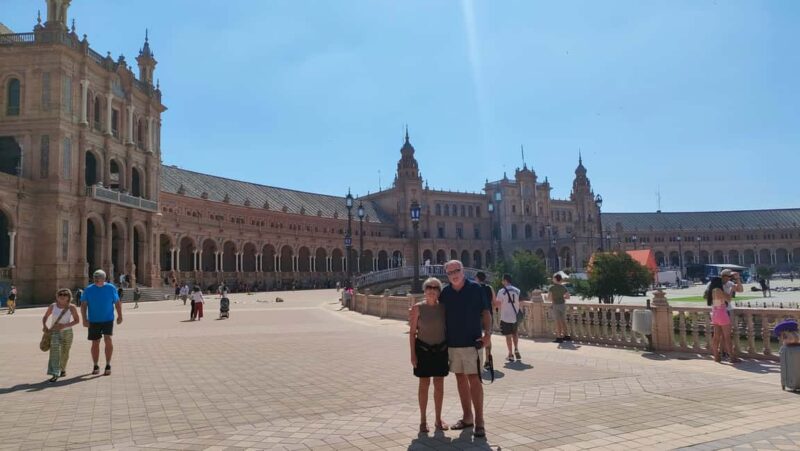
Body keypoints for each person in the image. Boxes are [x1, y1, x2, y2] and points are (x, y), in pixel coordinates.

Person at [417, 260, 491, 438]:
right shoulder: (446, 293)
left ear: (463, 270)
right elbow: (432, 302)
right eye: (450, 272)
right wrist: (417, 309)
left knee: (474, 380)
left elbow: (486, 312)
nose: (454, 274)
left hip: (473, 342)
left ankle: (479, 421)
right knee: (460, 380)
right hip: (452, 343)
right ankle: (467, 417)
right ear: (447, 275)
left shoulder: (476, 289)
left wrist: (488, 334)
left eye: (456, 270)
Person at [408, 277, 449, 433]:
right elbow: (412, 333)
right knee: (424, 384)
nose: (432, 290)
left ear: (439, 291)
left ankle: (438, 419)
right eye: (429, 287)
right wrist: (412, 355)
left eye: (435, 288)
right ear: (424, 290)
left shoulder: (444, 308)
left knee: (439, 385)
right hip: (423, 350)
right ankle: (423, 420)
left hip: (440, 350)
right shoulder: (417, 308)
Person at [80, 269, 123, 376]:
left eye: (98, 277)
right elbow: (83, 305)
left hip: (108, 319)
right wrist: (84, 319)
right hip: (94, 320)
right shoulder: (88, 289)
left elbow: (117, 302)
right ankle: (95, 364)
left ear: (104, 278)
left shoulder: (111, 288)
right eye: (94, 277)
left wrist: (120, 315)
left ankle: (108, 364)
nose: (95, 278)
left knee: (108, 339)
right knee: (95, 342)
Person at [41, 289, 80, 382]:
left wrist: (65, 325)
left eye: (65, 295)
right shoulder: (53, 306)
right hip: (54, 332)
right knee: (54, 352)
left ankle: (63, 369)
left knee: (65, 352)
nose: (62, 296)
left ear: (69, 297)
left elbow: (77, 320)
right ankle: (55, 373)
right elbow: (45, 316)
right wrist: (45, 325)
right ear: (57, 296)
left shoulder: (72, 307)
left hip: (67, 332)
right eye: (60, 294)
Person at [706, 276, 740, 364]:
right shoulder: (718, 290)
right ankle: (732, 357)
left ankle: (716, 356)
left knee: (716, 336)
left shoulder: (712, 291)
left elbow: (716, 302)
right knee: (727, 337)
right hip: (722, 314)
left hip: (715, 314)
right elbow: (728, 299)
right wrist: (732, 289)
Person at [496, 274, 522, 363]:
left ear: (505, 281)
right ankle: (516, 348)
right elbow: (520, 302)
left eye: (502, 280)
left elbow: (498, 304)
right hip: (515, 316)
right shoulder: (517, 290)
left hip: (505, 317)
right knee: (515, 333)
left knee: (508, 336)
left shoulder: (501, 291)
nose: (502, 282)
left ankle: (510, 354)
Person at [475, 271, 497, 370]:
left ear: (477, 278)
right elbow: (494, 302)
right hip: (488, 314)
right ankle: (488, 360)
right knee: (488, 336)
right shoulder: (489, 288)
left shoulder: (474, 288)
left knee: (477, 337)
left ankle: (477, 360)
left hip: (477, 316)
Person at [548, 273, 571, 343]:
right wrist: (562, 297)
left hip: (556, 305)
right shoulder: (563, 287)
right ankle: (567, 336)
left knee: (557, 322)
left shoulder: (551, 288)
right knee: (563, 321)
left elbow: (549, 298)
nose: (552, 280)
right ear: (560, 280)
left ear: (555, 279)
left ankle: (559, 337)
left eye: (553, 278)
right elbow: (568, 297)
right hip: (563, 305)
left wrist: (553, 299)